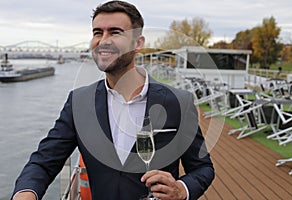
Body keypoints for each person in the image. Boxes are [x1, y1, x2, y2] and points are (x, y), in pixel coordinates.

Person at [12, 1, 214, 200]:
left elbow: (202, 168)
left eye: (115, 32)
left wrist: (181, 190)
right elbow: (44, 161)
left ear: (138, 43)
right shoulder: (79, 102)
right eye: (97, 32)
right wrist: (26, 192)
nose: (103, 40)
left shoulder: (179, 102)